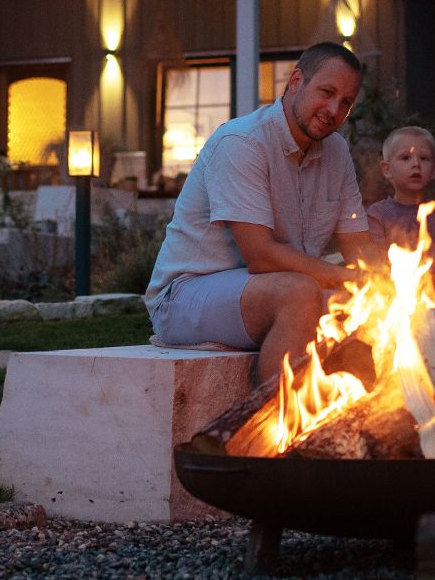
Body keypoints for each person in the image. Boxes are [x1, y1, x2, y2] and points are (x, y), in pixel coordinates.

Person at [145, 42, 376, 381]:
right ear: (296, 82)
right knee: (299, 294)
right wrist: (348, 278)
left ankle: (363, 423)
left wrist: (388, 283)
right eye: (326, 92)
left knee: (363, 307)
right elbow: (261, 256)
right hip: (185, 296)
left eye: (345, 103)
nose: (333, 109)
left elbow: (360, 248)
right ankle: (273, 424)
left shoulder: (336, 152)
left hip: (270, 288)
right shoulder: (243, 141)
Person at [366, 125, 435, 287]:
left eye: (424, 158)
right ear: (387, 169)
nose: (416, 164)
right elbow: (376, 268)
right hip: (393, 295)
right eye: (405, 158)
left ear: (434, 170)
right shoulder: (377, 214)